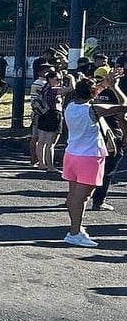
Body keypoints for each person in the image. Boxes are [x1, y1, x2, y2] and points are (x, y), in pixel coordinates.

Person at [60, 72, 127, 247]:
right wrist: (115, 87)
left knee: (73, 196)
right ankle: (74, 232)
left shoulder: (70, 105)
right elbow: (124, 105)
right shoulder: (94, 109)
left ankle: (76, 229)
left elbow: (90, 91)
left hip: (72, 154)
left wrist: (106, 83)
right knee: (82, 198)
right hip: (89, 157)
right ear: (93, 93)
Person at [89, 66, 126, 211]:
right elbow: (122, 111)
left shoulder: (88, 96)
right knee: (107, 171)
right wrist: (115, 87)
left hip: (93, 135)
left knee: (91, 170)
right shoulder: (113, 94)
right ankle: (98, 200)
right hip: (112, 135)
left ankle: (82, 197)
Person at [35, 70, 66, 173]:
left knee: (41, 141)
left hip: (43, 115)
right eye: (57, 79)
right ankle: (51, 166)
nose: (59, 81)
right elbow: (71, 89)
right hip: (54, 115)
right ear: (50, 79)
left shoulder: (44, 89)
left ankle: (41, 163)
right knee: (50, 143)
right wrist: (71, 78)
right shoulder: (54, 90)